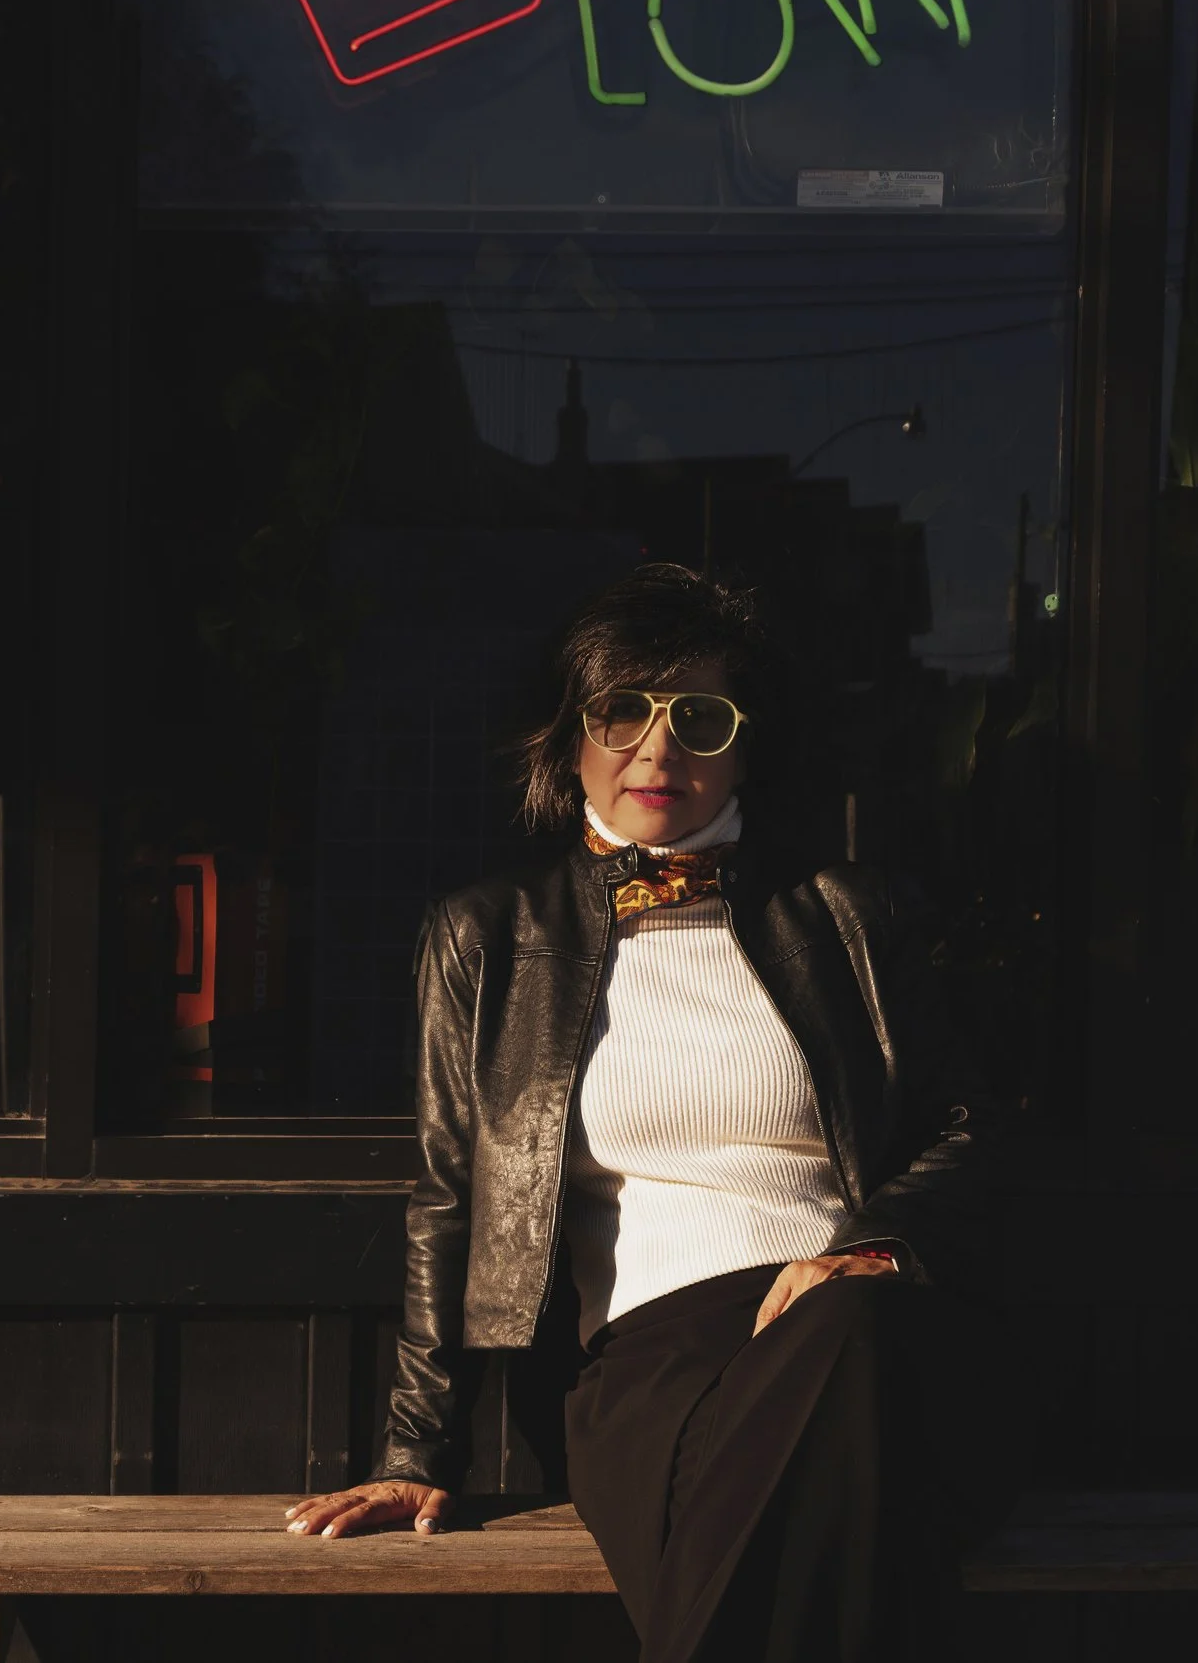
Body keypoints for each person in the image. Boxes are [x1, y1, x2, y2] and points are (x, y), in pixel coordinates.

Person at [284, 563, 1003, 1663]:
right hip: (651, 1363)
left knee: (853, 1348)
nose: (658, 750)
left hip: (854, 1325)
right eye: (621, 712)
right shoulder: (488, 934)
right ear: (568, 739)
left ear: (745, 747)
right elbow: (451, 1195)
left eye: (699, 718)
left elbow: (964, 1122)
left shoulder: (848, 914)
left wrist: (871, 1249)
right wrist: (417, 1451)